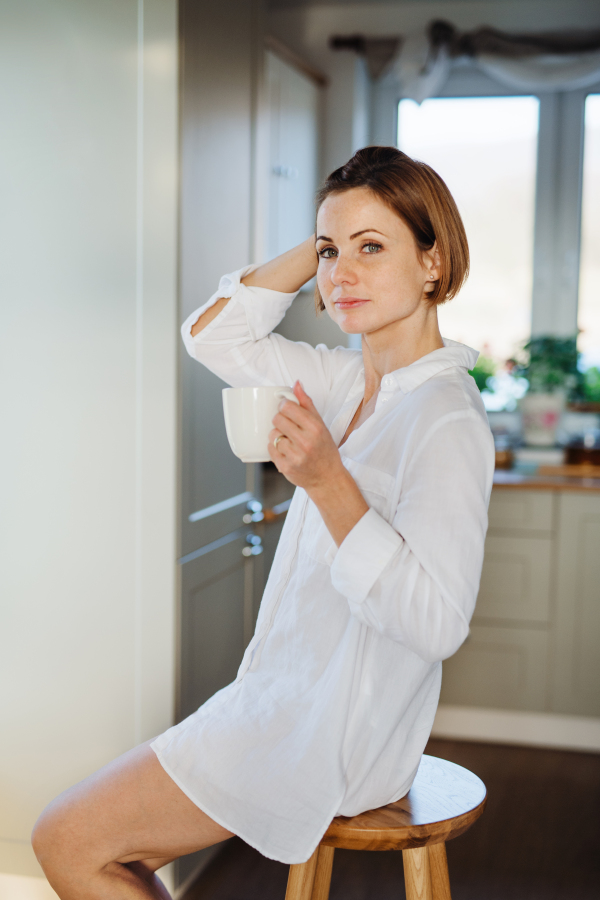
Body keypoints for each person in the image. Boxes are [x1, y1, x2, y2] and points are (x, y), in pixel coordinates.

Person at [32, 146, 494, 899]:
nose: (341, 275)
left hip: (331, 733)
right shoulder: (349, 384)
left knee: (65, 839)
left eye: (372, 249)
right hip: (277, 702)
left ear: (433, 262)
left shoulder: (445, 418)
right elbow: (212, 337)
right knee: (74, 837)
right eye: (330, 253)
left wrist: (328, 482)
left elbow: (439, 624)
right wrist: (322, 241)